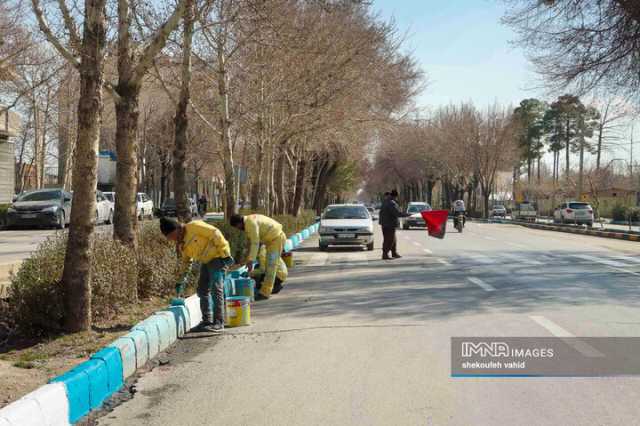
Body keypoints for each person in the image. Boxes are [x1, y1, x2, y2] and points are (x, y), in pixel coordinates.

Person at [160, 217, 234, 333]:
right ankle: (207, 321)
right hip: (206, 261)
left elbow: (215, 233)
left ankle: (219, 322)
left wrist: (225, 253)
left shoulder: (194, 226)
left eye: (172, 236)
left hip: (218, 257)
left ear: (178, 228)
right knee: (202, 290)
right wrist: (181, 280)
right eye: (170, 238)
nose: (173, 239)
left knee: (216, 288)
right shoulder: (182, 244)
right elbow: (186, 262)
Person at [230, 213, 287, 300]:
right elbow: (251, 242)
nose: (238, 229)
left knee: (270, 267)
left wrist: (250, 260)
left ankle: (265, 293)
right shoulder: (249, 221)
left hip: (276, 239)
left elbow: (255, 243)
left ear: (238, 223)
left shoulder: (250, 224)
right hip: (273, 240)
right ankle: (274, 286)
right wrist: (247, 258)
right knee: (270, 266)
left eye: (237, 227)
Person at [378, 189, 408, 260]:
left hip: (385, 224)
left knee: (393, 239)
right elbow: (397, 213)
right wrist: (407, 214)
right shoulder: (391, 203)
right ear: (395, 196)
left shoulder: (385, 202)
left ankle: (394, 253)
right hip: (389, 225)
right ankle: (385, 254)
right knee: (389, 240)